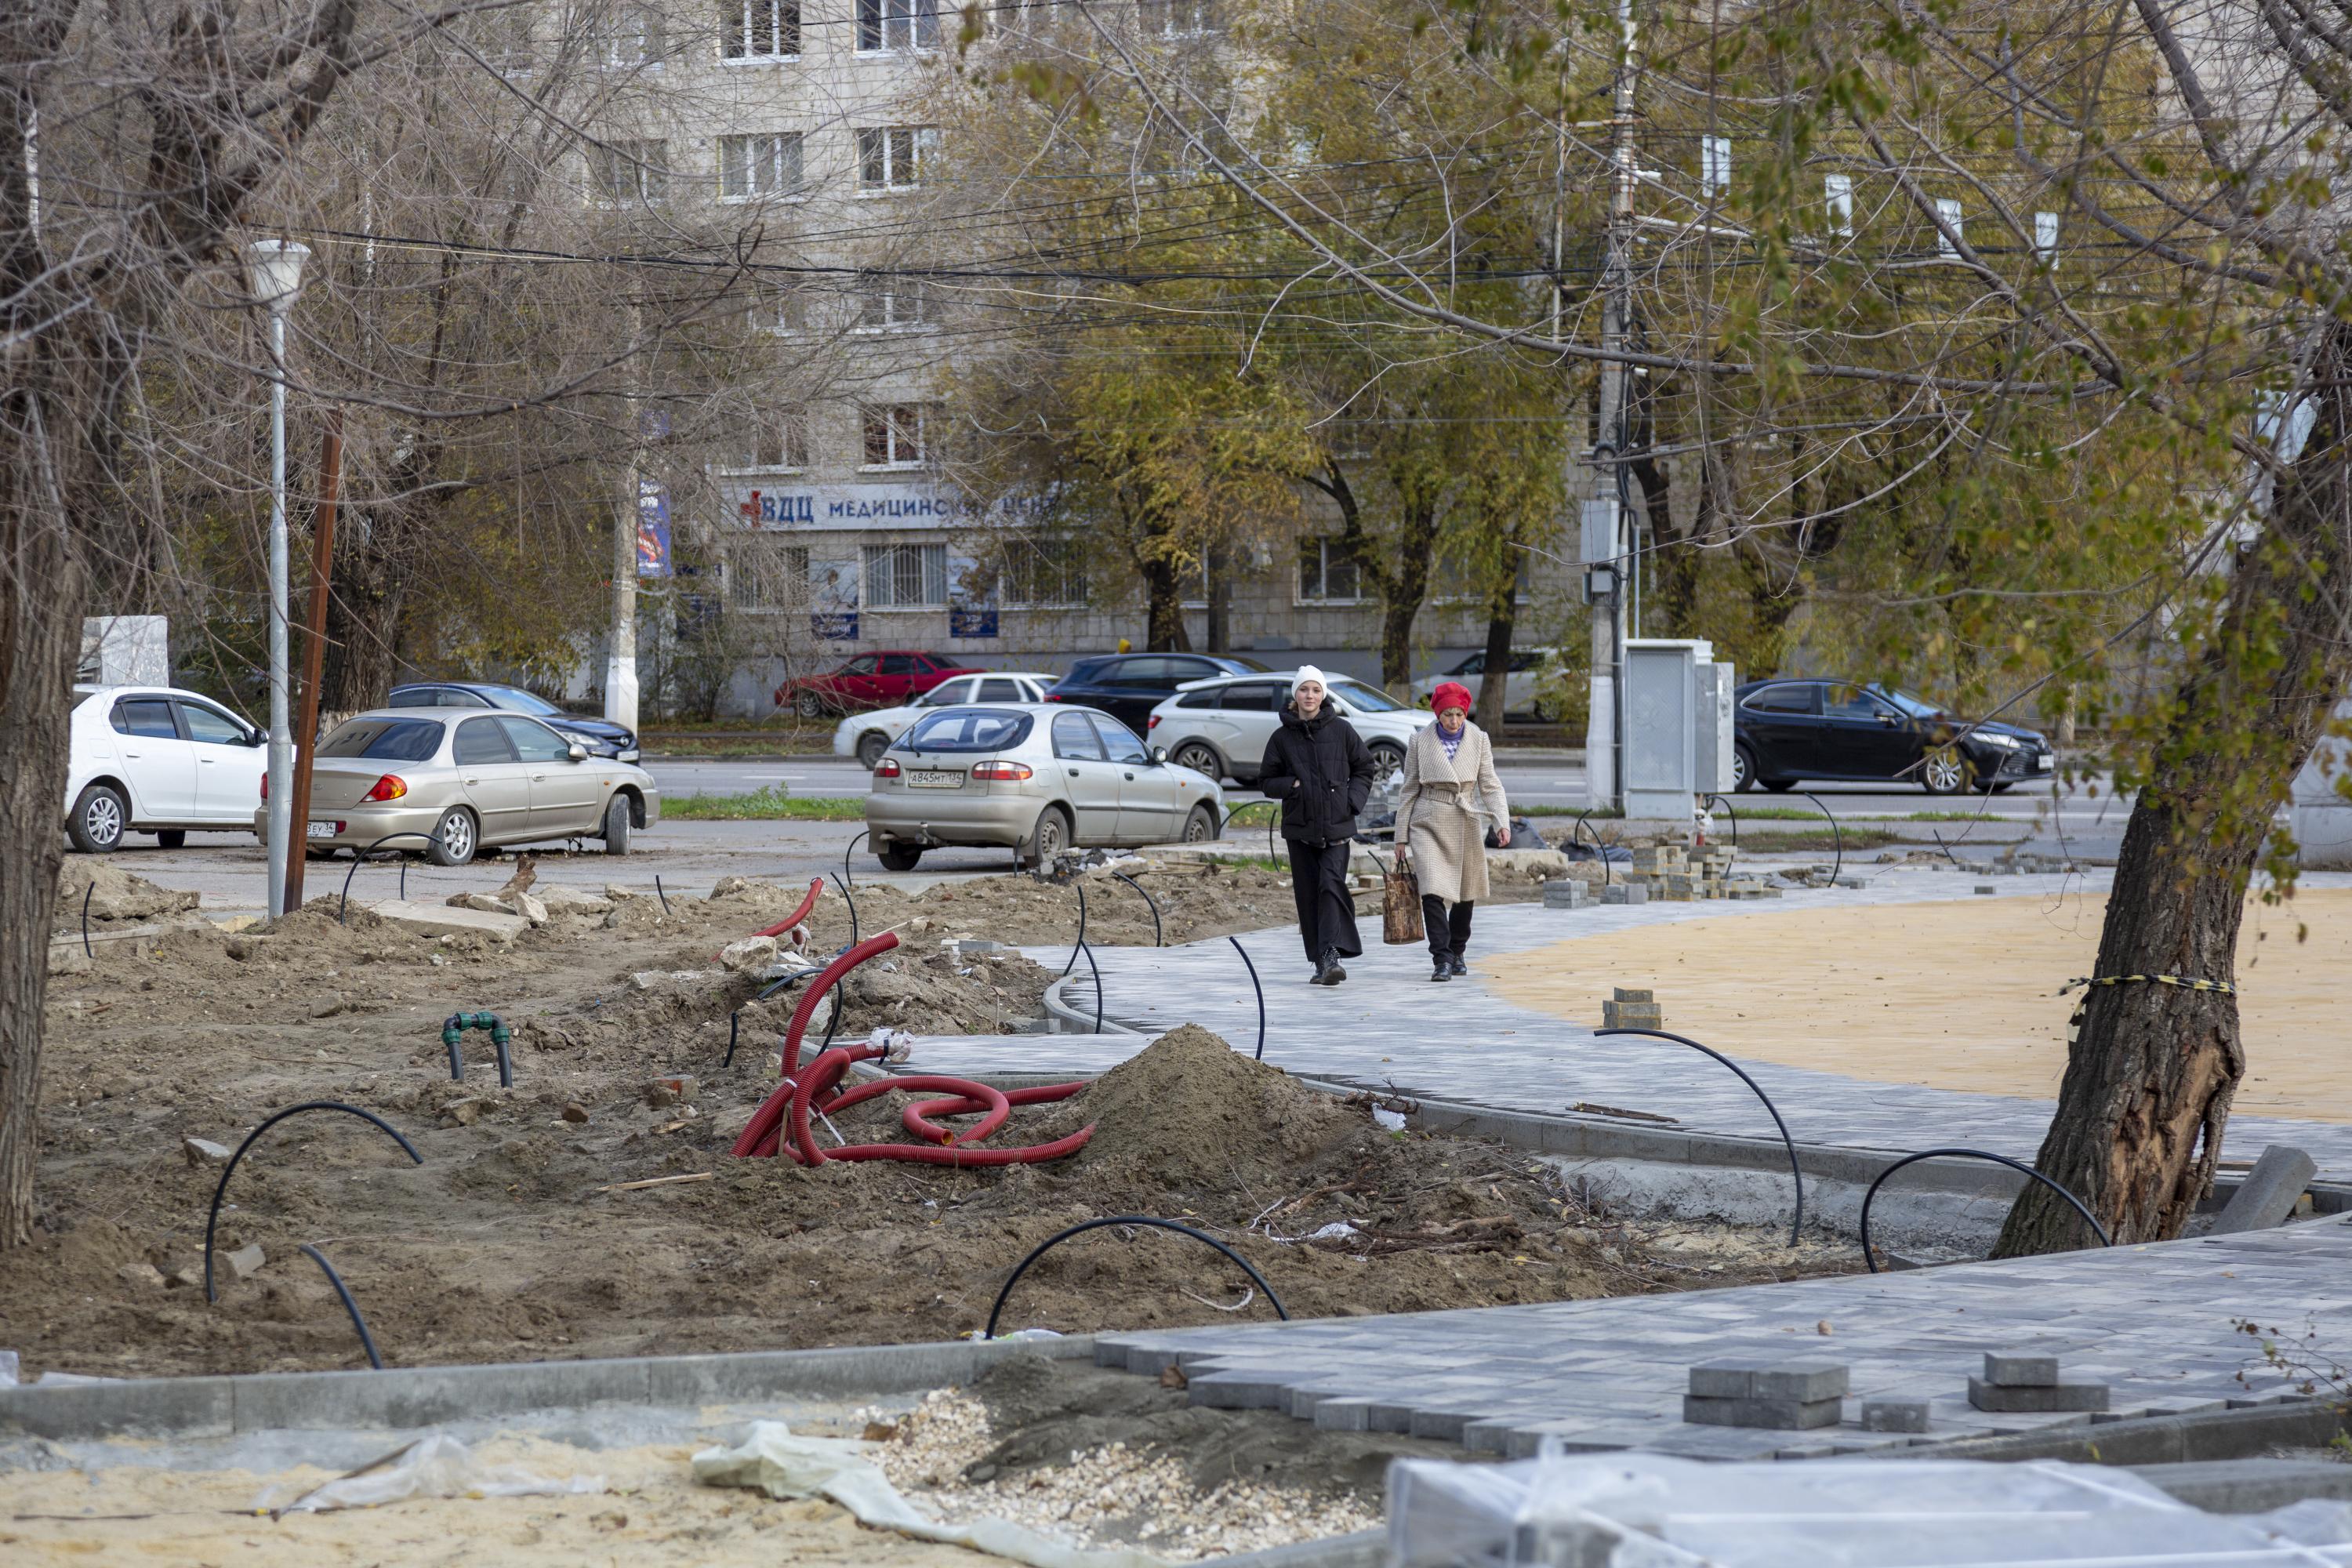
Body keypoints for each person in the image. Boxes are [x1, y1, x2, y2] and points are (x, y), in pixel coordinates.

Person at [1258, 666, 1380, 985]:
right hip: (1300, 828)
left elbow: (1366, 767)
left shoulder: (1341, 730)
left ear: (1322, 695)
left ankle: (1330, 956)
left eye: (1315, 690)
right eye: (1303, 690)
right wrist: (1292, 786)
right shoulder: (1282, 738)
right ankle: (1320, 961)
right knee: (1308, 895)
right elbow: (1267, 781)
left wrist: (1351, 802)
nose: (1309, 696)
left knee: (1330, 887)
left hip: (1337, 826)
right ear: (1295, 695)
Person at [1394, 681, 1508, 982]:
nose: (1454, 721)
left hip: (1465, 819)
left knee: (1465, 893)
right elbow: (1408, 790)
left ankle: (1457, 950)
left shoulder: (1479, 739)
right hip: (1428, 820)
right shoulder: (1419, 741)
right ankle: (1441, 958)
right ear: (1437, 714)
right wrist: (1400, 836)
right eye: (1448, 715)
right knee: (1431, 890)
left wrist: (1502, 822)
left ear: (1466, 713)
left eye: (1459, 714)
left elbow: (1491, 785)